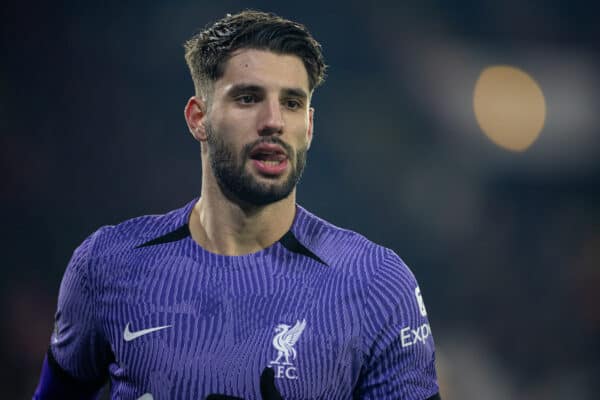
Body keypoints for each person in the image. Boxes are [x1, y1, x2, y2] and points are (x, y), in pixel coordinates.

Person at [33, 10, 441, 400]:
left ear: (310, 126)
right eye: (248, 98)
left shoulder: (377, 282)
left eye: (292, 103)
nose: (274, 121)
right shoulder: (106, 265)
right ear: (199, 118)